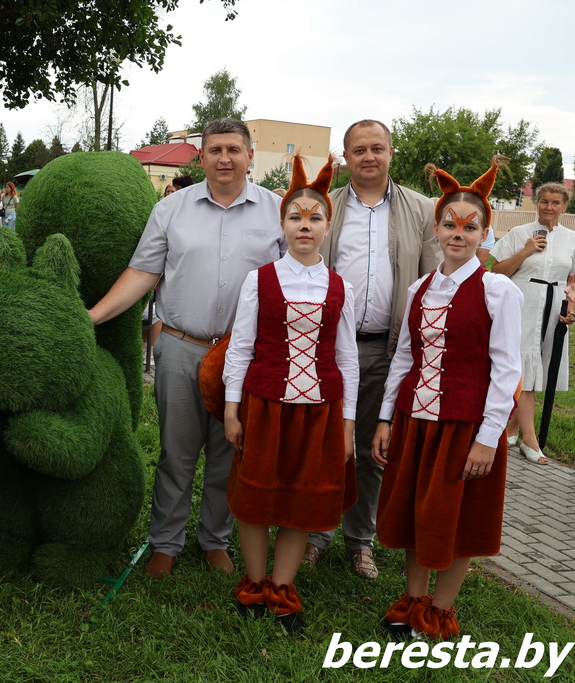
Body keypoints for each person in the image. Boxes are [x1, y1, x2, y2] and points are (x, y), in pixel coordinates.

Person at [89, 118, 284, 578]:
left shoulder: (277, 211)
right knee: (176, 453)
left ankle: (215, 540)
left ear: (250, 156)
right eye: (215, 150)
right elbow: (143, 272)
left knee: (229, 453)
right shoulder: (172, 209)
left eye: (233, 149)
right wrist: (91, 317)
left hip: (244, 355)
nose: (224, 158)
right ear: (202, 157)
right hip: (180, 347)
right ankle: (165, 542)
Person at [372, 158, 522, 639]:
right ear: (435, 228)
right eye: (450, 225)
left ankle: (440, 610)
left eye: (469, 226)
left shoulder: (497, 290)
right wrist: (385, 419)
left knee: (457, 519)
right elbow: (404, 357)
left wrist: (488, 438)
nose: (459, 234)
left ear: (484, 233)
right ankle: (413, 598)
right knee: (418, 511)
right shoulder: (420, 287)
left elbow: (507, 369)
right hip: (415, 420)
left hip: (465, 426)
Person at [223, 155, 358, 633]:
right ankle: (255, 582)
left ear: (328, 226)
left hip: (319, 412)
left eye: (315, 218)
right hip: (265, 407)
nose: (305, 225)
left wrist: (348, 424)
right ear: (281, 224)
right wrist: (233, 409)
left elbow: (347, 360)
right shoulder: (260, 279)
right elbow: (241, 347)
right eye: (295, 216)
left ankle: (282, 586)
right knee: (256, 497)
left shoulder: (339, 286)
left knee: (301, 500)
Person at [306, 119, 439, 581]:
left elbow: (432, 282)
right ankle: (315, 534)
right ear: (345, 157)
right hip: (327, 349)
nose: (368, 156)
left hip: (388, 348)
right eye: (359, 149)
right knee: (324, 446)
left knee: (372, 451)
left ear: (391, 152)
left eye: (377, 148)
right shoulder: (324, 206)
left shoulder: (421, 210)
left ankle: (360, 541)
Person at [489, 182, 575, 464]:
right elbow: (497, 271)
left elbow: (573, 280)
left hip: (554, 307)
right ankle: (530, 440)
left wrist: (571, 309)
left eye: (555, 202)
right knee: (524, 368)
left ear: (564, 206)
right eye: (544, 201)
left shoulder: (571, 239)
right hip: (522, 304)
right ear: (537, 203)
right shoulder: (519, 233)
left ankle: (511, 429)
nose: (549, 207)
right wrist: (525, 251)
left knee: (540, 368)